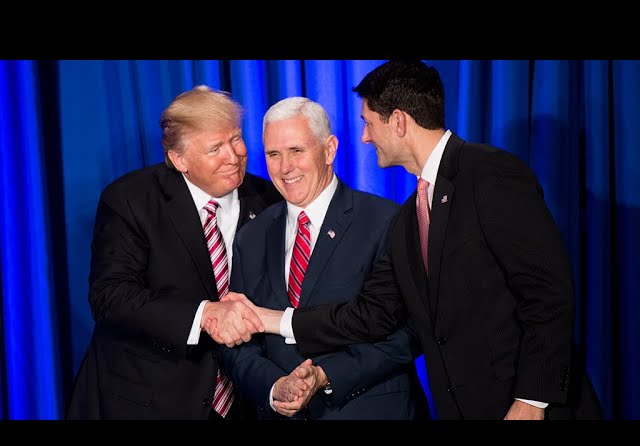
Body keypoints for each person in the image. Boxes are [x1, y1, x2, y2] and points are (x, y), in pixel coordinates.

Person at [227, 61, 602, 420]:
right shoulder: (411, 216)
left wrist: (531, 400)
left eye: (369, 123)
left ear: (399, 122)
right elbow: (372, 315)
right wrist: (270, 319)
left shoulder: (490, 173)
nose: (365, 136)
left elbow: (547, 295)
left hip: (526, 408)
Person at [65, 85, 282, 420]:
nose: (234, 155)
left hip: (243, 401)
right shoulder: (130, 200)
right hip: (148, 399)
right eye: (215, 149)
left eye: (236, 138)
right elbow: (111, 297)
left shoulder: (269, 200)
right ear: (179, 159)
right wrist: (204, 315)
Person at [217, 96, 427, 420]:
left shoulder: (386, 220)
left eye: (296, 151)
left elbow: (410, 332)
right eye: (274, 154)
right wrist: (275, 387)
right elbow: (238, 341)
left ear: (329, 150)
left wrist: (327, 375)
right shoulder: (251, 236)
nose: (285, 167)